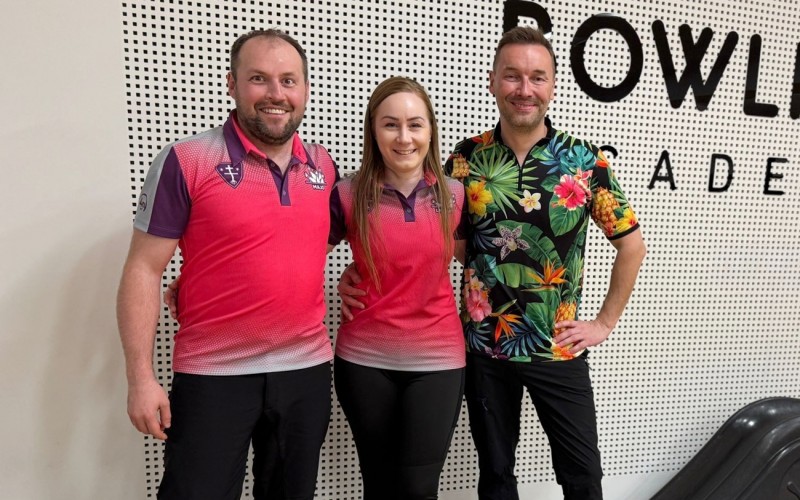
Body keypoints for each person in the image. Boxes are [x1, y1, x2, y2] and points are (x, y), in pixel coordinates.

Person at [339, 26, 646, 500]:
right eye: (512, 75)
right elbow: (441, 238)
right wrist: (358, 270)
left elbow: (632, 245)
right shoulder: (464, 161)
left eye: (537, 77)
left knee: (582, 476)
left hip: (558, 349)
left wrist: (603, 323)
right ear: (492, 81)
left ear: (553, 85)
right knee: (496, 476)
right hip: (485, 347)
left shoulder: (585, 161)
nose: (525, 88)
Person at [116, 29, 338, 500]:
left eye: (288, 80)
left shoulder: (323, 166)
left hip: (306, 371)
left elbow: (317, 239)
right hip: (213, 374)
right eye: (259, 79)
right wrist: (140, 377)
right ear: (232, 84)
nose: (276, 93)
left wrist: (359, 275)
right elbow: (143, 269)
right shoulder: (187, 160)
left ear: (305, 89)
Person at [328, 76, 467, 499]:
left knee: (418, 488)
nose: (404, 137)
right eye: (390, 125)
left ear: (431, 131)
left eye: (415, 124)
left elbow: (484, 262)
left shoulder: (456, 196)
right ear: (373, 130)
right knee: (379, 485)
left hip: (437, 359)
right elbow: (295, 257)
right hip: (364, 360)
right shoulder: (347, 194)